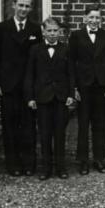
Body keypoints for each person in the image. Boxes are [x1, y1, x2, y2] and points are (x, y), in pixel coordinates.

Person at [0, 0, 42, 177]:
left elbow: (38, 59)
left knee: (28, 126)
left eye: (27, 6)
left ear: (31, 8)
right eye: (20, 5)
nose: (23, 9)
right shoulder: (2, 28)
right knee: (10, 126)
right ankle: (13, 164)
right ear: (13, 5)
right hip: (8, 86)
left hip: (28, 86)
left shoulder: (35, 29)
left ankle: (29, 164)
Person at [24, 17, 75, 180]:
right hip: (42, 98)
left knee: (60, 133)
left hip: (60, 97)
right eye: (49, 31)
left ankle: (61, 168)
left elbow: (71, 74)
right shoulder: (35, 49)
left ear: (59, 32)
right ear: (43, 32)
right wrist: (30, 97)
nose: (53, 34)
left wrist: (70, 95)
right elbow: (30, 75)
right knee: (45, 134)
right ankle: (46, 168)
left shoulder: (66, 49)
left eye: (55, 31)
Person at [69, 4, 105, 174]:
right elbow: (71, 63)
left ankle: (99, 159)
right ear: (85, 18)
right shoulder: (76, 36)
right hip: (83, 86)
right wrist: (74, 88)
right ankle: (83, 161)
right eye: (91, 17)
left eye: (98, 18)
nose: (94, 21)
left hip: (101, 86)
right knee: (83, 123)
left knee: (99, 123)